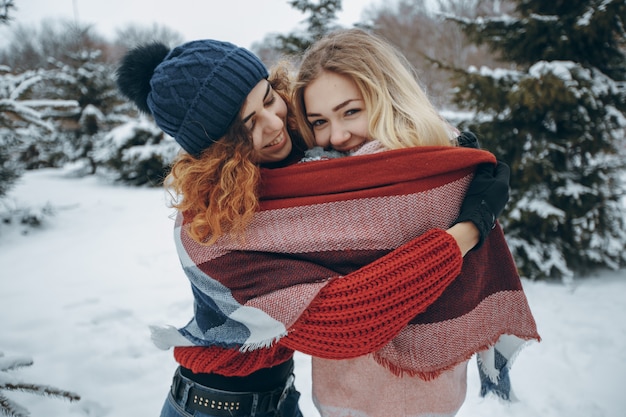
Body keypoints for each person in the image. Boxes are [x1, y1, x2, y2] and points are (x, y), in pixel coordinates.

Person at [115, 38, 525, 417]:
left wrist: (452, 160)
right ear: (217, 153)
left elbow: (374, 139)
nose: (273, 125)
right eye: (245, 127)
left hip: (283, 397)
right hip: (213, 406)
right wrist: (467, 231)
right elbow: (343, 320)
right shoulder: (209, 230)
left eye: (268, 100)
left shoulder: (294, 165)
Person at [289, 28, 539, 417]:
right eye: (319, 121)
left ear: (388, 95)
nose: (336, 135)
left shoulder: (447, 169)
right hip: (340, 393)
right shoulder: (310, 186)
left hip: (424, 394)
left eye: (351, 111)